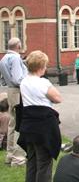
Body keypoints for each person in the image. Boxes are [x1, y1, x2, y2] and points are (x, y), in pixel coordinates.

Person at [18, 50, 62, 182]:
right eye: (45, 65)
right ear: (40, 67)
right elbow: (58, 98)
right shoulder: (43, 83)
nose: (46, 68)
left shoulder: (24, 82)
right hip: (43, 126)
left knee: (32, 161)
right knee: (44, 164)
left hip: (28, 125)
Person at [0, 37, 28, 166]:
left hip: (11, 91)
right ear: (18, 46)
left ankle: (10, 155)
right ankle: (18, 158)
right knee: (18, 125)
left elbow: (4, 80)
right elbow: (17, 79)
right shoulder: (16, 58)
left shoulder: (4, 58)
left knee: (12, 124)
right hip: (18, 91)